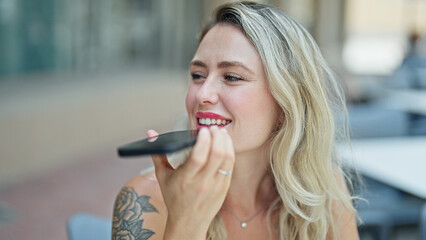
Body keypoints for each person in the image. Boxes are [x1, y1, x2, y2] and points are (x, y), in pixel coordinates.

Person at [112, 2, 359, 239]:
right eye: (197, 75)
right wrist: (186, 224)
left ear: (286, 103)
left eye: (231, 76)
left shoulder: (322, 192)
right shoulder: (144, 199)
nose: (202, 94)